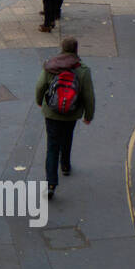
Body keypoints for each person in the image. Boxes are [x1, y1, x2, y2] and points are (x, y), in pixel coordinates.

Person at [34, 36, 95, 198]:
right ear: (76, 49)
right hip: (71, 113)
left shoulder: (51, 65)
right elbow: (89, 96)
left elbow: (40, 86)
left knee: (52, 146)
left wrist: (40, 102)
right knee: (67, 137)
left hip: (51, 113)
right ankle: (65, 166)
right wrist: (89, 115)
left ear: (62, 48)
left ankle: (51, 184)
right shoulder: (82, 70)